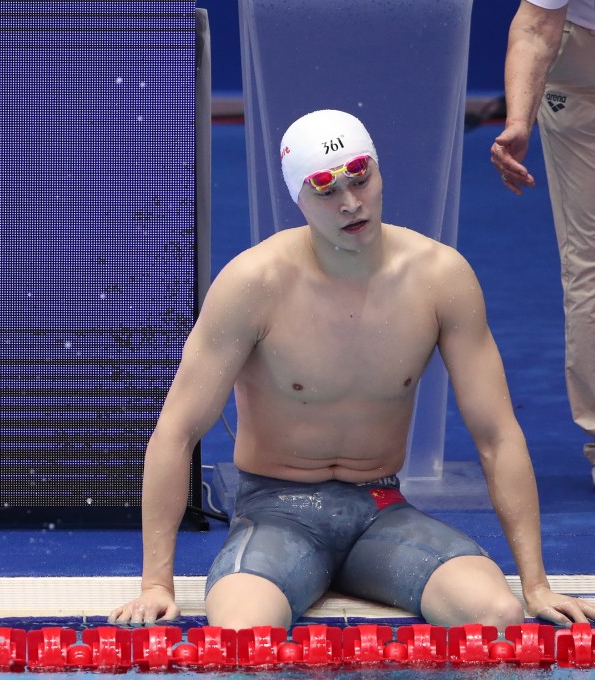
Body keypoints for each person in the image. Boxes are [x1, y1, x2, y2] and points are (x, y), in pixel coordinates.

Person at [109, 109, 595, 631]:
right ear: (298, 199)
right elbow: (176, 432)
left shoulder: (440, 277)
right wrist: (156, 584)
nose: (349, 203)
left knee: (495, 615)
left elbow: (497, 435)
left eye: (361, 179)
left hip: (381, 509)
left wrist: (536, 582)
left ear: (379, 172)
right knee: (243, 636)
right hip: (276, 512)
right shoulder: (255, 283)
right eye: (326, 192)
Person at [491, 0, 595, 487]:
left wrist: (519, 120)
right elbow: (535, 26)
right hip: (581, 76)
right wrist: (520, 119)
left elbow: (537, 24)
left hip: (578, 56)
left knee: (589, 260)